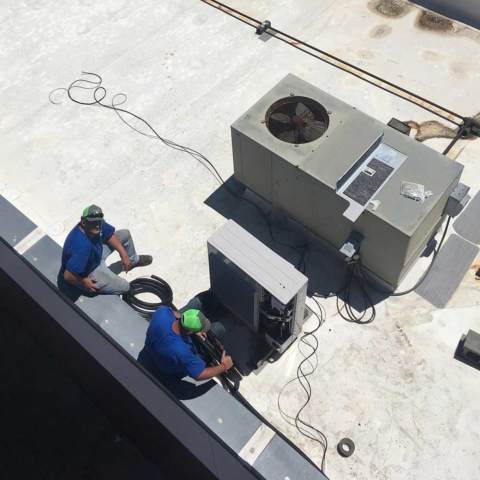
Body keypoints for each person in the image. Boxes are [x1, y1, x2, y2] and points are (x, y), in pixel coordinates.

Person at [58, 204, 152, 299]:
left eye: (98, 221)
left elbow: (109, 235)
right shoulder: (81, 246)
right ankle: (86, 289)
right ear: (83, 222)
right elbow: (68, 275)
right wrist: (85, 282)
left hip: (96, 253)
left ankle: (133, 261)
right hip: (89, 271)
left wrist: (124, 254)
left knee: (125, 234)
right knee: (125, 286)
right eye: (94, 223)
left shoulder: (97, 224)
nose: (98, 225)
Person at [138, 306, 233, 384]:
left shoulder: (161, 312)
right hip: (165, 370)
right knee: (218, 328)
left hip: (151, 351)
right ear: (190, 331)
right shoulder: (183, 352)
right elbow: (199, 375)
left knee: (197, 303)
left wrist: (191, 326)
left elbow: (174, 313)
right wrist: (224, 366)